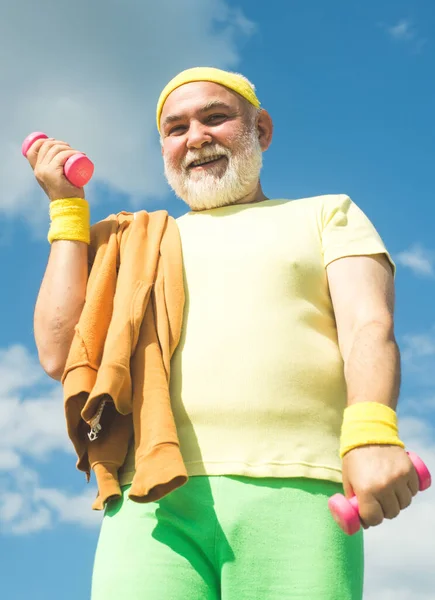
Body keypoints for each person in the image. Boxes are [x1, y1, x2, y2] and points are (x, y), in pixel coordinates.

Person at [30, 67, 419, 600]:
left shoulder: (327, 214)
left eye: (215, 118)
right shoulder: (131, 241)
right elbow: (59, 353)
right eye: (176, 128)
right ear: (164, 146)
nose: (196, 137)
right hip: (151, 500)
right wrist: (68, 210)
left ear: (261, 129)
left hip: (298, 489)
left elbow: (368, 326)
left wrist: (373, 432)